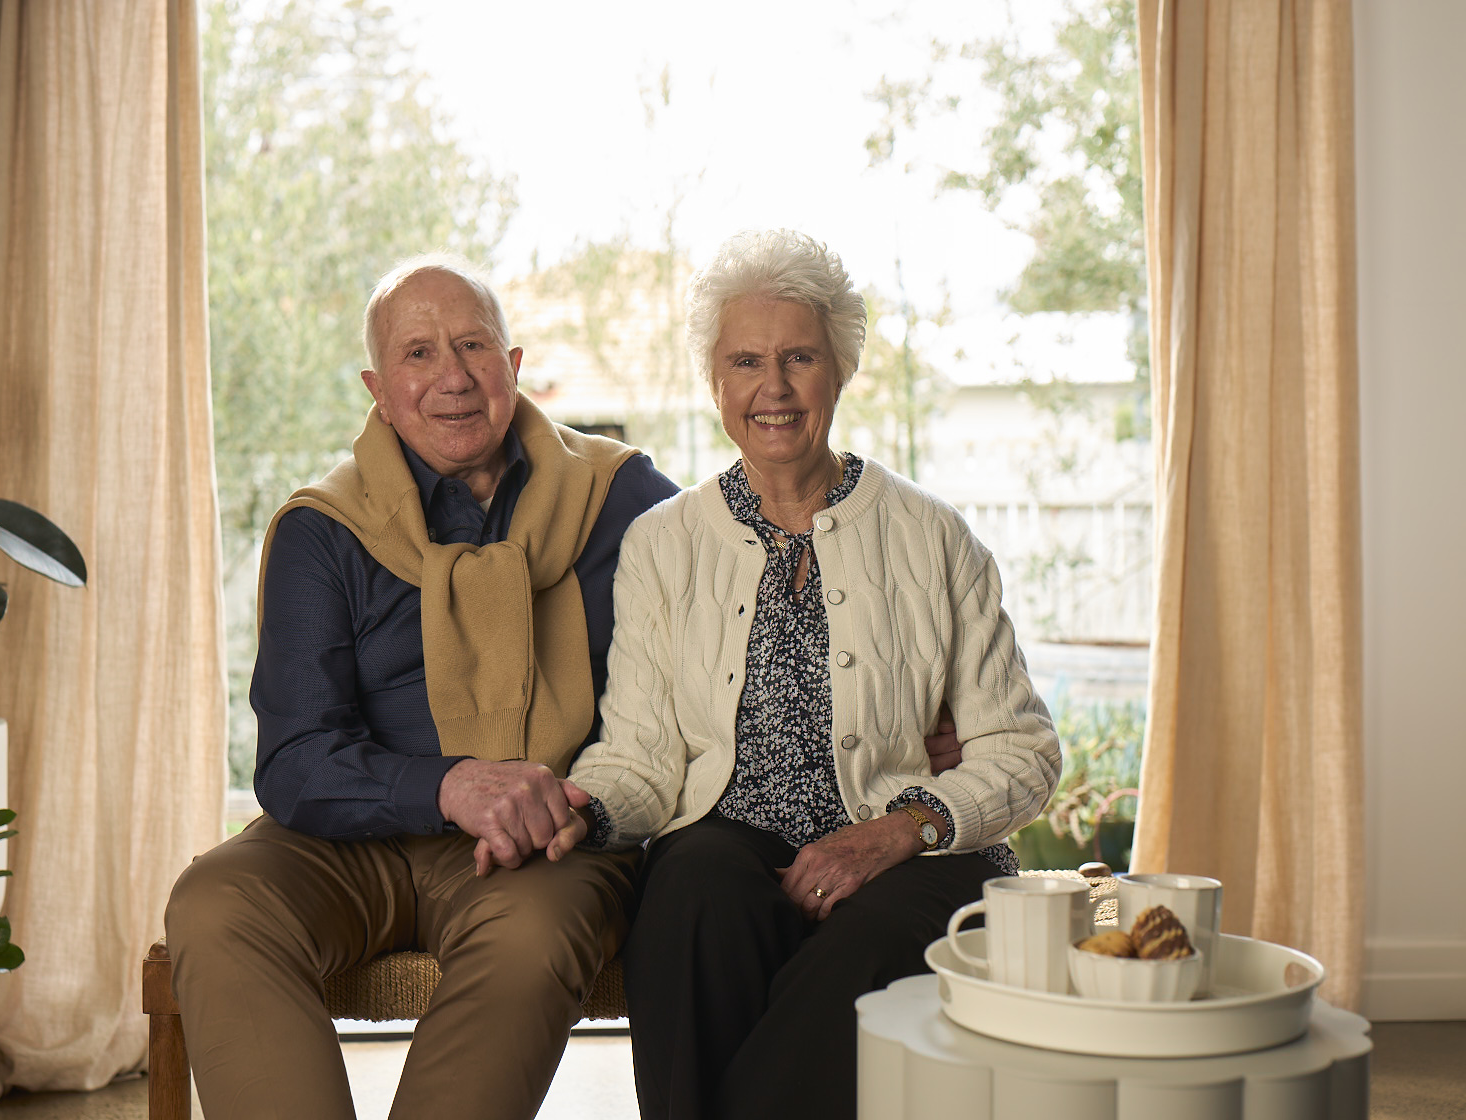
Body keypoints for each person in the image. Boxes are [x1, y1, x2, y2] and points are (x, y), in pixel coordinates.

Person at [559, 229, 1062, 1120]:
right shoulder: (663, 544)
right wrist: (584, 808)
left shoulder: (934, 536)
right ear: (715, 380)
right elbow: (638, 756)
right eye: (746, 361)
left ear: (841, 370)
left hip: (911, 841)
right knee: (690, 899)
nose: (774, 388)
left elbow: (1022, 752)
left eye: (800, 357)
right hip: (730, 832)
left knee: (866, 941)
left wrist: (903, 827)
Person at [164, 255, 680, 1120]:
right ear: (378, 386)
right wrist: (446, 786)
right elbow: (294, 759)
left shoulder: (617, 495)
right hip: (351, 842)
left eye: (473, 345)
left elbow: (739, 596)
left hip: (541, 841)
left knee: (533, 937)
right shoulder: (322, 529)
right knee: (215, 902)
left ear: (512, 366)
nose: (451, 377)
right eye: (418, 353)